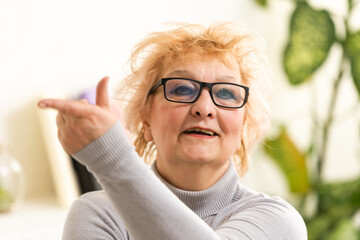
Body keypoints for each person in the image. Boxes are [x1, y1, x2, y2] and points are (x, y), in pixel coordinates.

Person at [38, 22, 307, 239]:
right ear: (145, 118)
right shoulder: (99, 214)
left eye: (225, 93)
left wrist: (111, 159)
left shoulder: (278, 222)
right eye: (181, 89)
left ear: (243, 124)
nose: (204, 108)